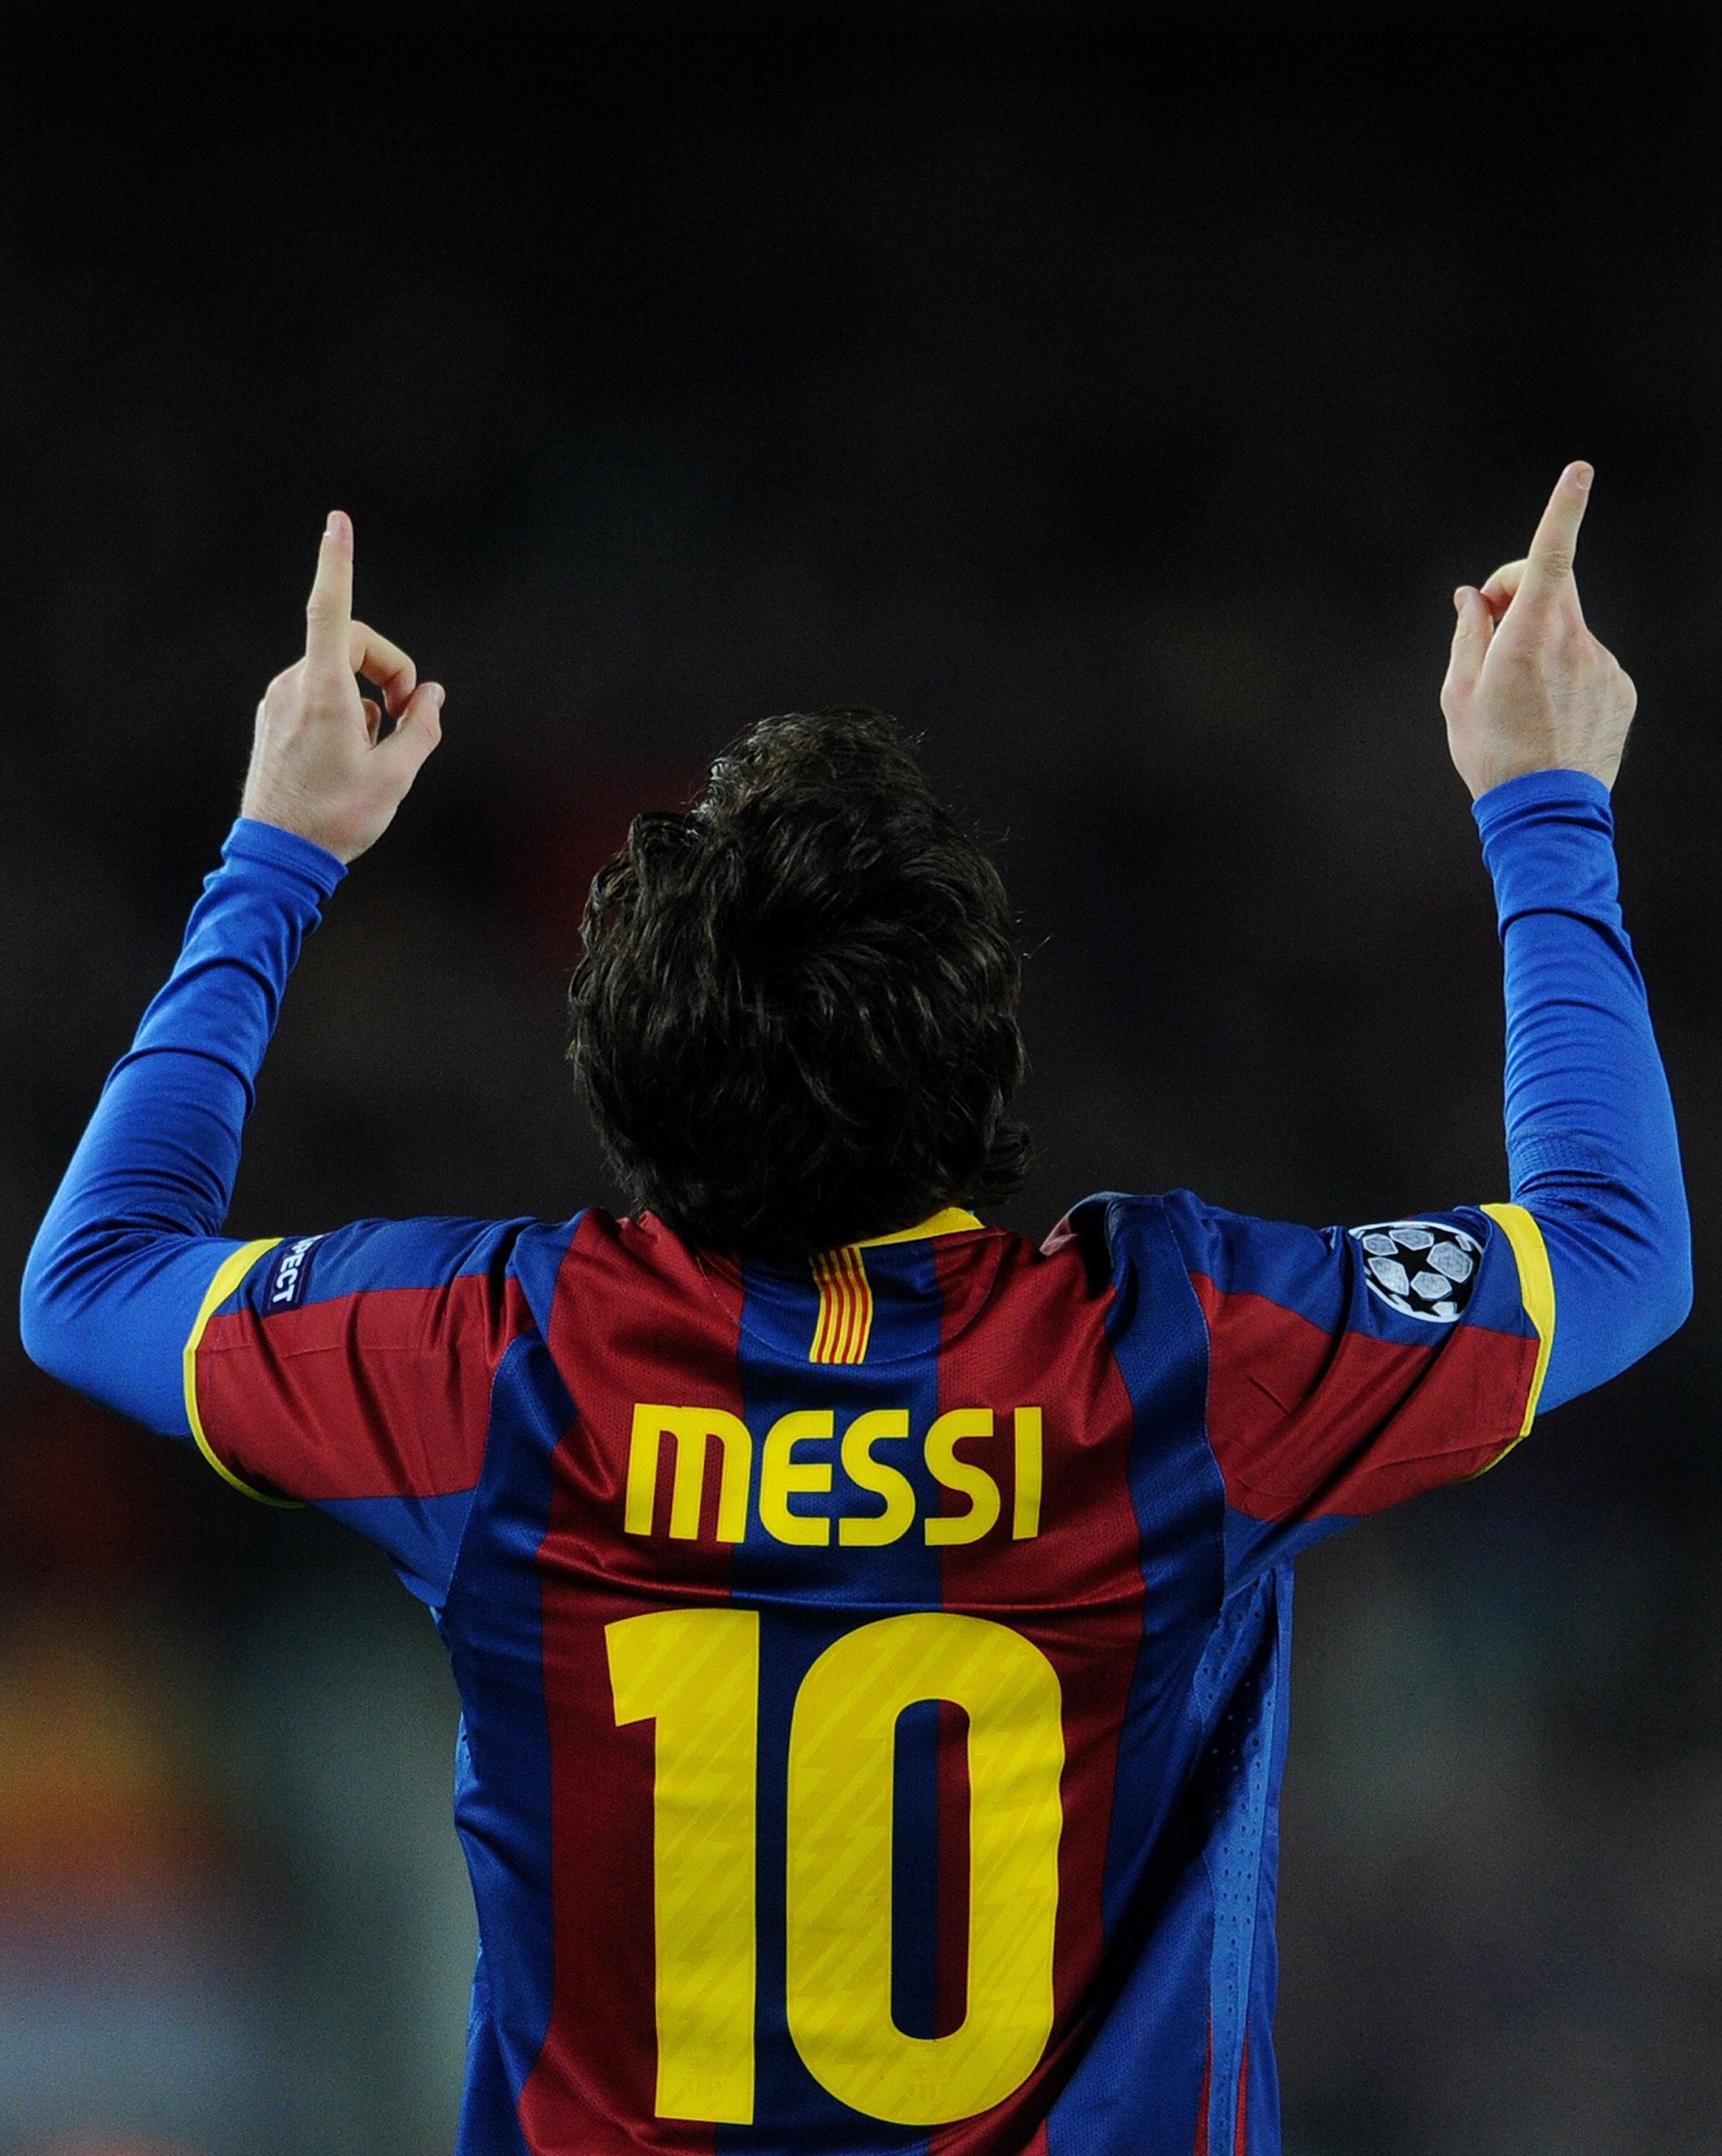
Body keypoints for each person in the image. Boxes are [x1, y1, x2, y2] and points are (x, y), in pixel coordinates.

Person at [20, 464, 1689, 2156]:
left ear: (623, 1082)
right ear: (985, 1059)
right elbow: (1614, 1247)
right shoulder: (1179, 1356)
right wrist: (1540, 800)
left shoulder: (495, 1365)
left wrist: (278, 852)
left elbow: (89, 1282)